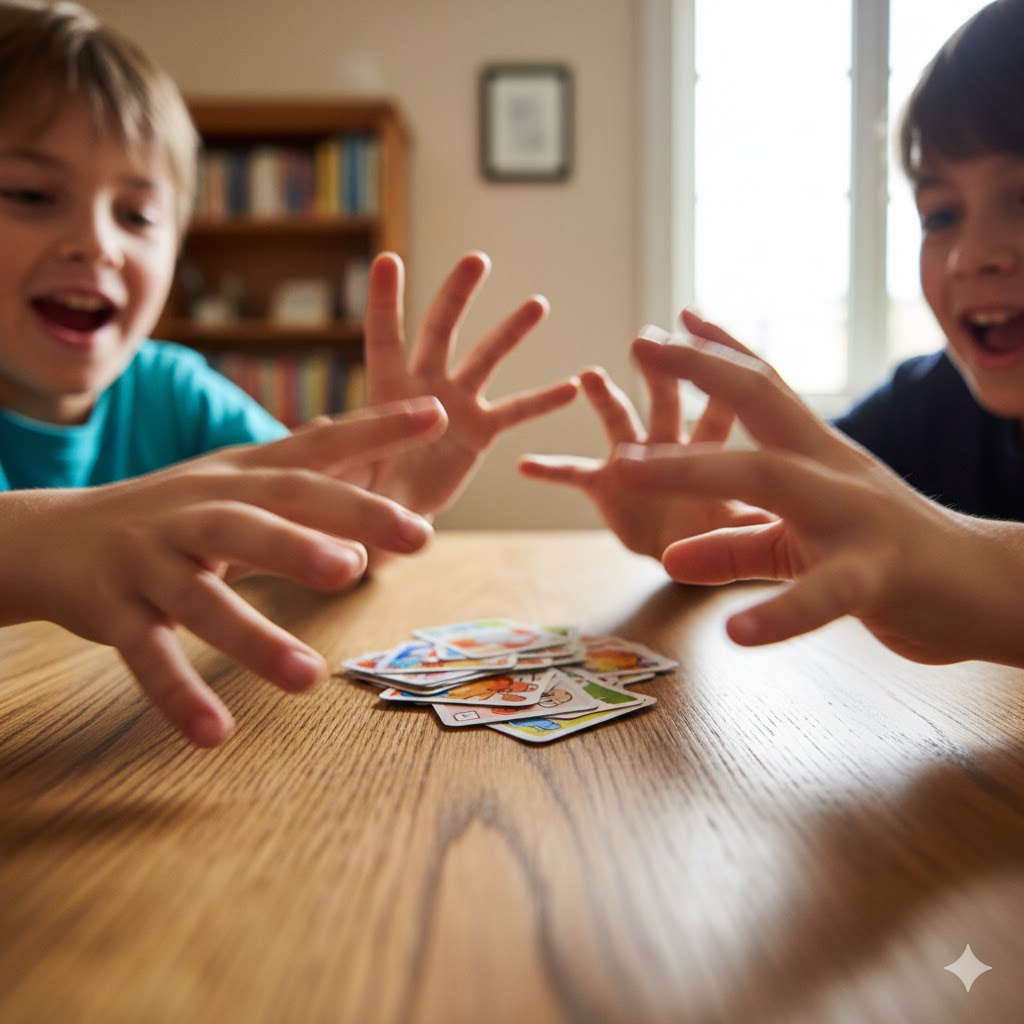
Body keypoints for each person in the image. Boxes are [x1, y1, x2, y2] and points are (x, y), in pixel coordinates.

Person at [0, 0, 578, 746]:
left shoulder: (174, 387)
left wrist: (377, 502)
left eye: (138, 215)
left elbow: (310, 532)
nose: (97, 242)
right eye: (30, 194)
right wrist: (49, 542)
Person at [519, 0, 1024, 669]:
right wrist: (710, 531)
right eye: (940, 215)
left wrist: (976, 574)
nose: (968, 256)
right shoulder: (925, 402)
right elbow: (822, 532)